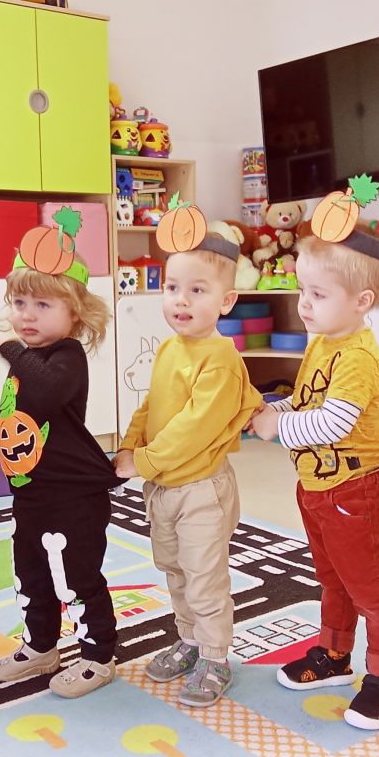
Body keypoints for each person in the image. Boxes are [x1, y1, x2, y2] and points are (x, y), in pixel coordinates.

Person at [251, 202, 379, 730]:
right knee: (332, 578)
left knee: (370, 588)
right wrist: (272, 409)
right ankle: (335, 655)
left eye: (318, 295)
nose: (304, 304)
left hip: (353, 490)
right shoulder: (324, 341)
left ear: (362, 301)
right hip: (318, 485)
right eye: (302, 290)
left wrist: (278, 428)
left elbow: (334, 422)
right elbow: (307, 402)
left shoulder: (358, 357)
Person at [0, 224, 123, 699]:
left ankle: (98, 656)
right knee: (30, 576)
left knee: (78, 580)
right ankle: (41, 647)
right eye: (19, 302)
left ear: (75, 311)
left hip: (74, 497)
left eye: (43, 305)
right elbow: (11, 421)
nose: (26, 315)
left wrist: (10, 350)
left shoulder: (67, 357)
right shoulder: (29, 361)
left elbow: (46, 393)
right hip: (32, 496)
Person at [115, 216, 261, 708]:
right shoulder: (169, 349)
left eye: (197, 290)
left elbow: (194, 427)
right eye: (172, 287)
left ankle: (216, 656)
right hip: (163, 486)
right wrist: (129, 445)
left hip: (200, 489)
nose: (181, 300)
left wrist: (145, 460)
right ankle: (190, 640)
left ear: (226, 301)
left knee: (204, 578)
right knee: (175, 570)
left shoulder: (221, 358)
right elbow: (152, 406)